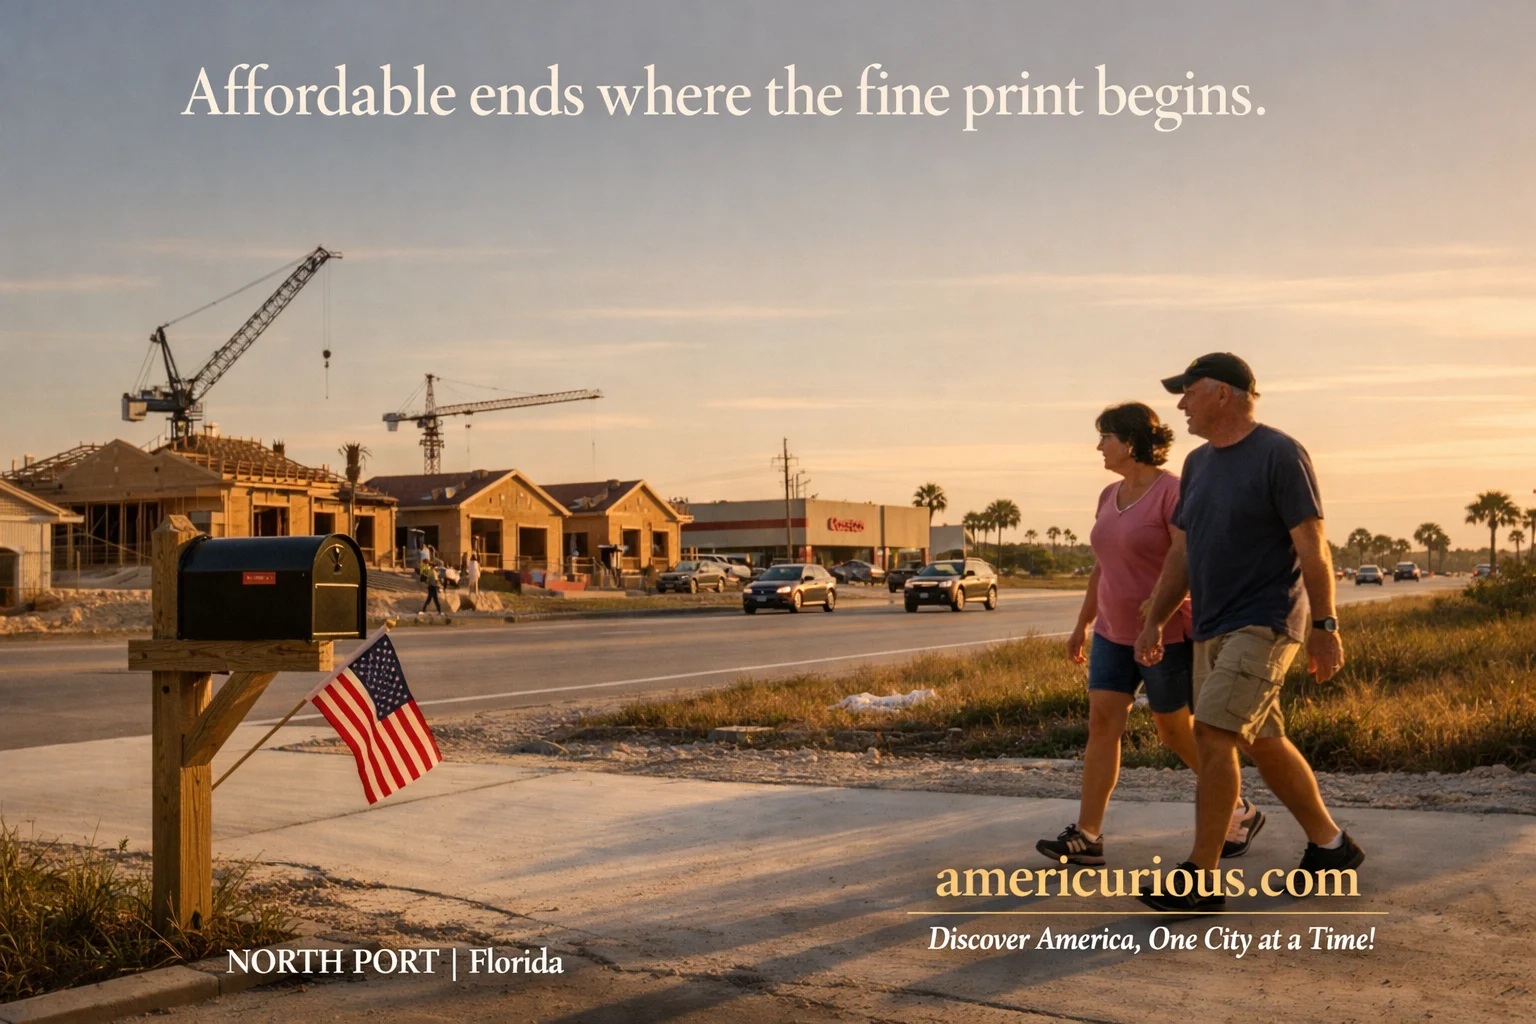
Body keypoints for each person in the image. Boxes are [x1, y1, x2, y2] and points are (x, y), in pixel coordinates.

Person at [1135, 353, 1363, 913]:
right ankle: (1331, 846)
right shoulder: (1197, 465)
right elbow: (1182, 553)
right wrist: (1154, 619)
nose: (1180, 404)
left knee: (1212, 735)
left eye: (1187, 392)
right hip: (1213, 624)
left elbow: (1312, 544)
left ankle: (1200, 879)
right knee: (1263, 741)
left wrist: (1326, 625)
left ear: (1223, 394)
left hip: (1265, 619)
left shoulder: (1279, 453)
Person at [1037, 403, 1261, 866]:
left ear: (1132, 441)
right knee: (1102, 725)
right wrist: (1082, 623)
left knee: (1174, 731)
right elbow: (1103, 565)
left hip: (1165, 632)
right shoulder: (1107, 495)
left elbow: (1188, 559)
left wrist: (1162, 614)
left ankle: (1239, 809)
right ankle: (1088, 834)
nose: (1099, 446)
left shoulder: (1174, 493)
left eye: (1106, 437)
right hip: (1112, 634)